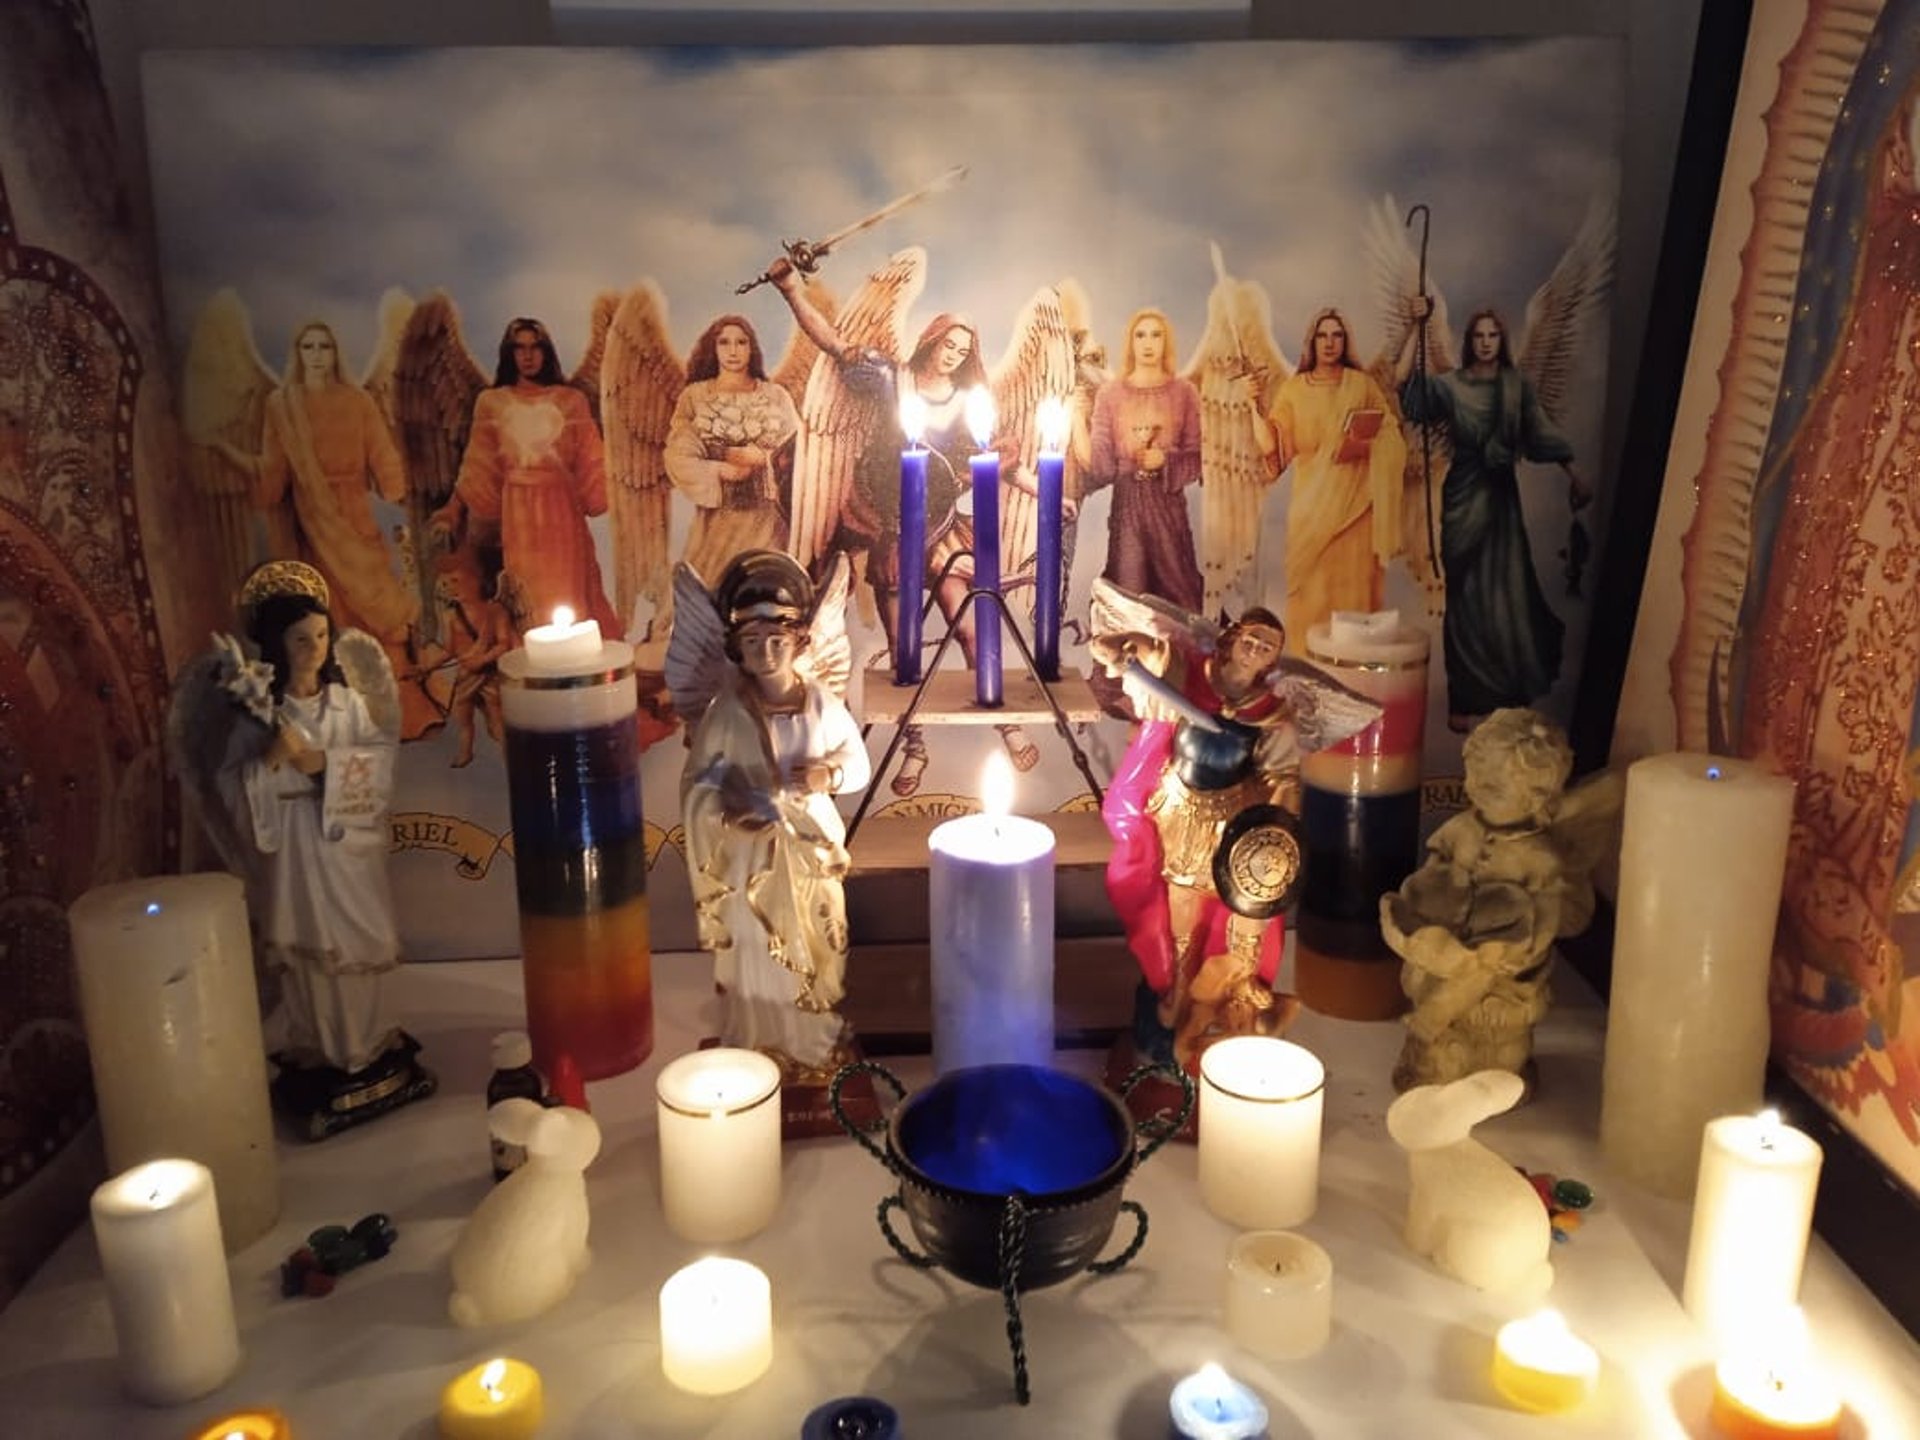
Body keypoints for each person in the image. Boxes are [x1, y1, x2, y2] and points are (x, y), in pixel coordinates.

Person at [772, 265, 1039, 793]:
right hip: (893, 526)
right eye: (949, 345)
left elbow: (998, 458)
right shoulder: (892, 379)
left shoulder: (967, 404)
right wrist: (790, 290)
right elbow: (835, 345)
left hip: (938, 526)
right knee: (903, 650)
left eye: (964, 350)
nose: (954, 355)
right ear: (931, 340)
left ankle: (1007, 724)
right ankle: (914, 750)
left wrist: (1051, 494)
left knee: (968, 625)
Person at [215, 560, 433, 1134]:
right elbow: (231, 794)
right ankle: (328, 1052)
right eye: (299, 639)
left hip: (348, 851)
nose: (313, 648)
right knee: (315, 952)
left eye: (319, 636)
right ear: (276, 645)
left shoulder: (346, 706)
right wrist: (271, 757)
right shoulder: (258, 719)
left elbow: (379, 774)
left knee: (362, 942)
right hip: (295, 853)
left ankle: (370, 1043)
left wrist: (322, 764)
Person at [679, 550, 872, 1073]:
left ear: (798, 643)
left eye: (776, 641)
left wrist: (824, 775)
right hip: (749, 860)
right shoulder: (727, 712)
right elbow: (700, 781)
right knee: (754, 951)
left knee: (818, 944)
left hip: (808, 854)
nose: (765, 653)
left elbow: (858, 766)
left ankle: (809, 1041)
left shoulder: (821, 706)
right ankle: (757, 1042)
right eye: (752, 643)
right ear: (736, 650)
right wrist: (726, 809)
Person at [1092, 604, 1307, 1069]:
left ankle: (1234, 1006)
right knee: (1180, 918)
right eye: (1251, 638)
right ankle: (1176, 995)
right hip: (1179, 811)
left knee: (1239, 916)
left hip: (1234, 824)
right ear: (1231, 638)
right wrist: (1118, 648)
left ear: (1272, 661)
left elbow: (1282, 774)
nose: (1256, 650)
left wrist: (1279, 830)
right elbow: (1144, 654)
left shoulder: (1270, 714)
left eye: (1267, 647)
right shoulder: (1188, 673)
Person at [215, 321, 440, 738]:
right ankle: (344, 720)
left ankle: (399, 709)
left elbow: (385, 459)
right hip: (312, 531)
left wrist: (404, 489)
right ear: (298, 354)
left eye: (323, 346)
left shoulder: (358, 402)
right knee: (329, 621)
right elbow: (274, 475)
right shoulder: (282, 406)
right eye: (308, 347)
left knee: (379, 614)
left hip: (354, 522)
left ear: (334, 352)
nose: (316, 354)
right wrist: (233, 457)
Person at [1396, 301, 1591, 731]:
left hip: (1500, 499)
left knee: (1506, 595)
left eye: (1493, 336)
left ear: (1501, 341)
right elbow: (1407, 393)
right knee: (1465, 596)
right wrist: (1416, 325)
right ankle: (1465, 703)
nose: (1486, 343)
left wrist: (1575, 475)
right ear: (1470, 342)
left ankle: (1503, 697)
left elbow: (1539, 433)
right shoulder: (1450, 385)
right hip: (1464, 497)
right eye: (1479, 336)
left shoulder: (1515, 386)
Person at [430, 318, 619, 635]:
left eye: (535, 348)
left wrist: (624, 491)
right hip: (519, 519)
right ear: (509, 353)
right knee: (527, 598)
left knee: (569, 596)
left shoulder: (570, 401)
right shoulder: (492, 403)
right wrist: (451, 510)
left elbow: (594, 462)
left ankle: (575, 672)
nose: (528, 356)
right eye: (520, 348)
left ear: (546, 353)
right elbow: (478, 465)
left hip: (562, 517)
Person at [1250, 308, 1408, 653]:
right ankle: (1307, 687)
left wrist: (1365, 445)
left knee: (1354, 603)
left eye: (1337, 335)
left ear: (1345, 341)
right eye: (1323, 335)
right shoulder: (1294, 390)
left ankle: (1355, 686)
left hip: (1357, 512)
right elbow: (1273, 447)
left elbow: (1391, 434)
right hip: (1311, 515)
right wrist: (1251, 404)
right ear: (1312, 341)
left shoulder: (1361, 385)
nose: (1330, 342)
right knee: (1310, 601)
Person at [1085, 307, 1205, 615]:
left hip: (1169, 508)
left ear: (1167, 342)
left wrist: (1164, 460)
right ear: (1131, 342)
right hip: (1128, 508)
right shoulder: (1110, 395)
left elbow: (1199, 457)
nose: (1148, 342)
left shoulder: (1185, 393)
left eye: (1156, 334)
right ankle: (1124, 663)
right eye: (1141, 335)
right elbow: (1101, 465)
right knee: (1127, 595)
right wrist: (1075, 421)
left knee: (1179, 595)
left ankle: (1184, 662)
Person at [664, 314, 799, 583]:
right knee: (711, 587)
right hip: (718, 519)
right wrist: (719, 468)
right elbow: (678, 454)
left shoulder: (775, 396)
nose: (733, 350)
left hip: (768, 518)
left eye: (741, 342)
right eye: (724, 343)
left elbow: (799, 449)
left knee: (766, 585)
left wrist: (763, 457)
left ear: (752, 348)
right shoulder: (695, 396)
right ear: (713, 349)